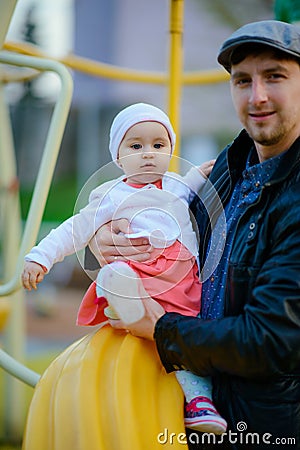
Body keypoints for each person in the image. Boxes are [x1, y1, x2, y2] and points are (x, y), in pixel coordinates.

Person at [91, 21, 300, 449]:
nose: (256, 95)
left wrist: (162, 328)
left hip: (268, 425)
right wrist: (109, 237)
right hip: (196, 410)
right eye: (243, 80)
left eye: (274, 76)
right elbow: (170, 229)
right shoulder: (230, 165)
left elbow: (270, 339)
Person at [21, 102, 228, 434]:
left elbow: (196, 193)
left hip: (180, 284)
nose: (149, 153)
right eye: (136, 145)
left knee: (185, 340)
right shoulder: (110, 195)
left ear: (171, 150)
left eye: (158, 145)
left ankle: (199, 403)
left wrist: (203, 174)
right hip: (143, 278)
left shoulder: (177, 185)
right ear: (118, 156)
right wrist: (40, 257)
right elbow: (75, 228)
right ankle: (121, 298)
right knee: (118, 277)